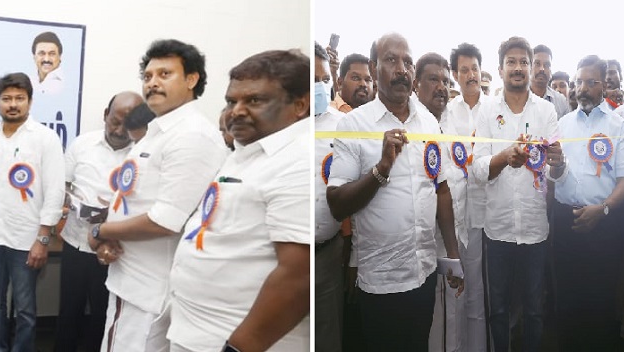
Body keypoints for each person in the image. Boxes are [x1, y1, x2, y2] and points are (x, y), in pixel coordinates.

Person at [326, 33, 463, 352]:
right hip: (382, 282)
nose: (402, 69)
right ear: (374, 69)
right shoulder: (354, 125)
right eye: (391, 60)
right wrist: (380, 170)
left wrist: (453, 255)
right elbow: (336, 204)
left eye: (408, 62)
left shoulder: (428, 122)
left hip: (424, 273)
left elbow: (441, 189)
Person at [87, 40, 227, 352]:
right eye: (148, 76)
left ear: (191, 80)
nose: (153, 82)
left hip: (150, 291)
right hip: (132, 278)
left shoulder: (190, 135)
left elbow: (165, 221)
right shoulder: (160, 131)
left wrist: (101, 231)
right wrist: (109, 239)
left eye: (165, 74)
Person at [168, 50, 311, 352]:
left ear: (299, 105)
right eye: (232, 101)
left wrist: (240, 347)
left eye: (254, 100)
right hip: (197, 334)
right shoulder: (248, 150)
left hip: (239, 343)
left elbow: (299, 277)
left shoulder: (299, 161)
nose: (236, 111)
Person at [0, 73, 64, 352]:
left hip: (27, 240)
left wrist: (43, 239)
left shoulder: (46, 138)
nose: (13, 104)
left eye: (19, 98)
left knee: (25, 308)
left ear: (30, 102)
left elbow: (55, 193)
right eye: (6, 99)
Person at [469, 37, 557, 352]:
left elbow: (553, 172)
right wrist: (504, 157)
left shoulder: (546, 111)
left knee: (535, 311)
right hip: (499, 232)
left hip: (535, 230)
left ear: (531, 68)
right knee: (499, 311)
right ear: (501, 68)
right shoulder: (487, 111)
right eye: (512, 62)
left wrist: (558, 164)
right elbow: (477, 170)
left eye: (523, 62)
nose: (518, 68)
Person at [546, 54, 624, 351]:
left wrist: (604, 209)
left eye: (591, 82)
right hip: (565, 220)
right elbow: (554, 174)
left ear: (604, 85)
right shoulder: (562, 123)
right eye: (579, 82)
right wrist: (556, 167)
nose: (583, 88)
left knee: (600, 301)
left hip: (605, 222)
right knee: (567, 301)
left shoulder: (618, 126)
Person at [53, 91, 143, 352]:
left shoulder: (141, 153)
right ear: (105, 114)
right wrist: (69, 203)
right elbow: (63, 186)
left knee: (104, 313)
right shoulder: (82, 144)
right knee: (69, 309)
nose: (120, 129)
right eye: (115, 120)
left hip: (115, 249)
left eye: (128, 124)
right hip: (76, 242)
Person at [413, 54, 463, 352]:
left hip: (449, 235)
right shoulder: (411, 125)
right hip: (420, 242)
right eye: (434, 79)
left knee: (449, 316)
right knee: (428, 324)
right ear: (416, 84)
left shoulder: (449, 124)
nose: (442, 87)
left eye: (446, 81)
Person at [444, 43, 488, 352]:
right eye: (463, 70)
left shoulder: (495, 109)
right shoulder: (447, 112)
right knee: (453, 295)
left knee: (478, 293)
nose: (470, 75)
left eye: (474, 68)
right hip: (452, 216)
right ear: (455, 75)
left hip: (484, 216)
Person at [314, 45, 346, 352]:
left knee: (327, 337)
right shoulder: (279, 128)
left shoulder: (342, 125)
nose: (320, 87)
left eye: (325, 79)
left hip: (325, 254)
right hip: (278, 256)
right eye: (312, 79)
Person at [531, 44, 569, 117]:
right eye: (537, 64)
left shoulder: (561, 101)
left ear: (551, 71)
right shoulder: (516, 97)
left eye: (546, 65)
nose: (542, 69)